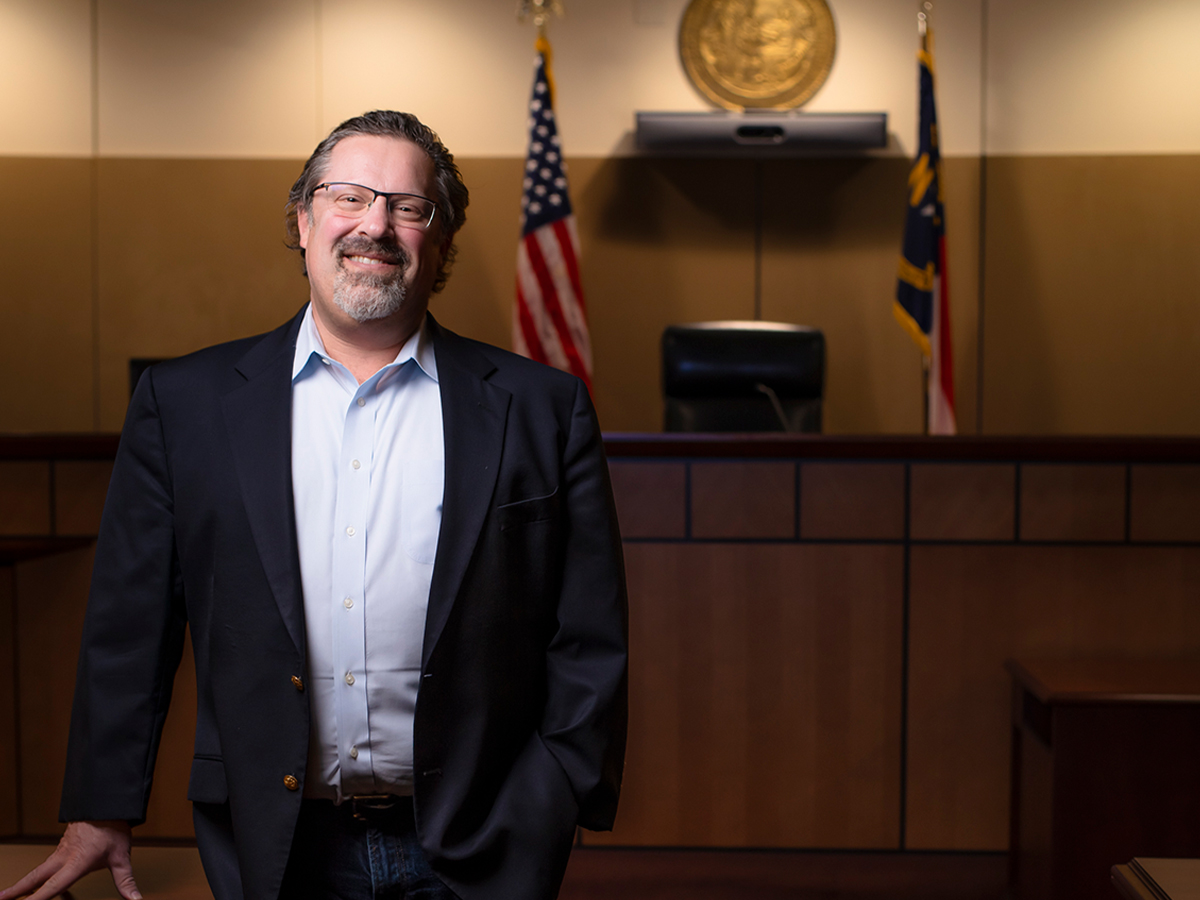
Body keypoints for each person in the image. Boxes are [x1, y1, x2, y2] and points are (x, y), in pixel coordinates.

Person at [0, 110, 627, 900]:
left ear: (441, 241)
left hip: (482, 845)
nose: (376, 225)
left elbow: (589, 634)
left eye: (407, 206)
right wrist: (102, 805)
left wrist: (556, 792)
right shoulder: (184, 405)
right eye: (348, 197)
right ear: (302, 221)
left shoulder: (542, 408)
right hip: (276, 846)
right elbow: (131, 627)